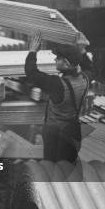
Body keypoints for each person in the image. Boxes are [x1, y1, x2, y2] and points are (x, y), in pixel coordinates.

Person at [25, 30, 93, 163]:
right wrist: (82, 50)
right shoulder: (84, 79)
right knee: (68, 168)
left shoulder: (57, 84)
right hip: (74, 132)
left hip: (56, 136)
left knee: (53, 169)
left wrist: (33, 51)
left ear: (66, 63)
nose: (55, 59)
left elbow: (31, 73)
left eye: (58, 58)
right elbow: (90, 68)